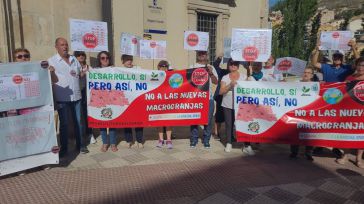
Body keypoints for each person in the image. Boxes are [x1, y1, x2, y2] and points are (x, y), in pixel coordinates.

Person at [312, 39, 360, 158]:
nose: (337, 58)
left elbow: (359, 62)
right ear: (333, 57)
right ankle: (320, 145)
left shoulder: (347, 68)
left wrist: (354, 47)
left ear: (342, 58)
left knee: (337, 123)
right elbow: (314, 63)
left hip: (340, 99)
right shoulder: (326, 67)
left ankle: (336, 146)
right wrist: (317, 49)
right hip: (326, 98)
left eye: (339, 56)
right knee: (323, 122)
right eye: (335, 56)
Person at [48, 37, 89, 157]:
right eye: (62, 45)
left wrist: (85, 72)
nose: (65, 47)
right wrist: (51, 72)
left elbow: (79, 74)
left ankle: (81, 146)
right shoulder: (51, 61)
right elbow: (50, 78)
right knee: (64, 124)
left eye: (66, 44)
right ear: (56, 47)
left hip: (76, 96)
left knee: (79, 122)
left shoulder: (73, 59)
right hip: (62, 98)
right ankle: (64, 149)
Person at [336, 57, 364, 168]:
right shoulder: (350, 77)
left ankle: (359, 159)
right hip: (351, 111)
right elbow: (342, 92)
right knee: (348, 133)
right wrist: (345, 85)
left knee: (362, 135)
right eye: (359, 65)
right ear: (356, 66)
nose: (361, 67)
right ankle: (345, 155)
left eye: (363, 65)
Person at [190, 51, 218, 149]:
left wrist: (210, 73)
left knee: (208, 120)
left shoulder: (211, 67)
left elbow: (216, 82)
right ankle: (194, 139)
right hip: (195, 98)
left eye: (204, 54)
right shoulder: (192, 65)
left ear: (207, 56)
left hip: (208, 98)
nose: (202, 55)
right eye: (200, 54)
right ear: (197, 55)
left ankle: (206, 140)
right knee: (194, 119)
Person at [94, 51, 118, 152]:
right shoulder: (95, 71)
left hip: (112, 99)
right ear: (99, 60)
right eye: (102, 58)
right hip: (100, 99)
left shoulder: (115, 70)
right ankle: (105, 143)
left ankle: (113, 143)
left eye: (107, 58)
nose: (105, 60)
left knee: (112, 122)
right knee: (102, 122)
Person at [289, 67, 315, 161]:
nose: (306, 74)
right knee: (295, 132)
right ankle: (294, 152)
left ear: (312, 75)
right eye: (304, 72)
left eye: (308, 72)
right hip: (298, 112)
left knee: (310, 133)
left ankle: (309, 153)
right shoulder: (296, 84)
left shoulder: (316, 85)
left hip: (311, 113)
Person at [121, 54, 144, 148]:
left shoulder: (138, 68)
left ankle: (139, 140)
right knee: (127, 121)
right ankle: (129, 140)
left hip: (136, 99)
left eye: (130, 59)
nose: (129, 61)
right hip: (125, 100)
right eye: (127, 60)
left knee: (138, 121)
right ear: (123, 61)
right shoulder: (119, 70)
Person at [74, 51, 96, 145]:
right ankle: (79, 137)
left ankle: (90, 134)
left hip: (87, 94)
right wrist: (80, 75)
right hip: (76, 94)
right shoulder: (73, 67)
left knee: (87, 115)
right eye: (78, 55)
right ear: (75, 57)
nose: (81, 56)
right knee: (78, 117)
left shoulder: (88, 67)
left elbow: (96, 76)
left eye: (83, 55)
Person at [155, 60, 173, 149]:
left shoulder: (171, 75)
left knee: (168, 122)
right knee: (160, 122)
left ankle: (169, 140)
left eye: (165, 66)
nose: (163, 67)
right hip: (158, 102)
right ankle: (161, 140)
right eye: (162, 66)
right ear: (158, 67)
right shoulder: (154, 75)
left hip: (168, 102)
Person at [213, 55, 229, 141]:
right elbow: (215, 65)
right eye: (230, 63)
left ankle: (230, 135)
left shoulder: (238, 75)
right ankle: (216, 133)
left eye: (234, 64)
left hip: (231, 98)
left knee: (230, 118)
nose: (232, 65)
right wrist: (219, 58)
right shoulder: (222, 72)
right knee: (219, 116)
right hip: (220, 97)